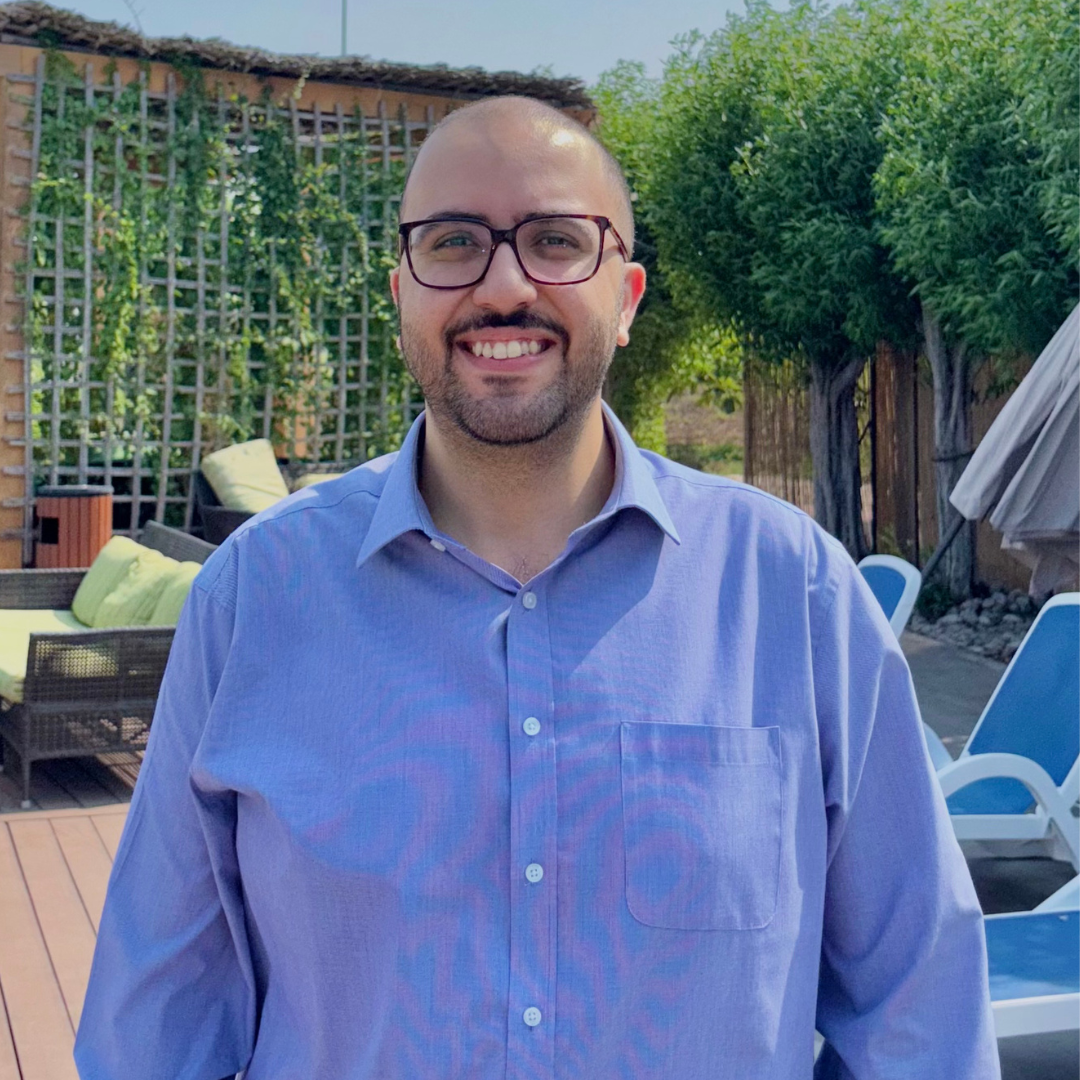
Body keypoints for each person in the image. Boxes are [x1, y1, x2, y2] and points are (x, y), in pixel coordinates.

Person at [75, 96, 999, 1079]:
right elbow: (156, 1032)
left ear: (629, 296)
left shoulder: (798, 597)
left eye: (558, 240)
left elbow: (920, 1012)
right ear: (402, 295)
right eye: (453, 241)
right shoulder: (254, 599)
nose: (505, 284)